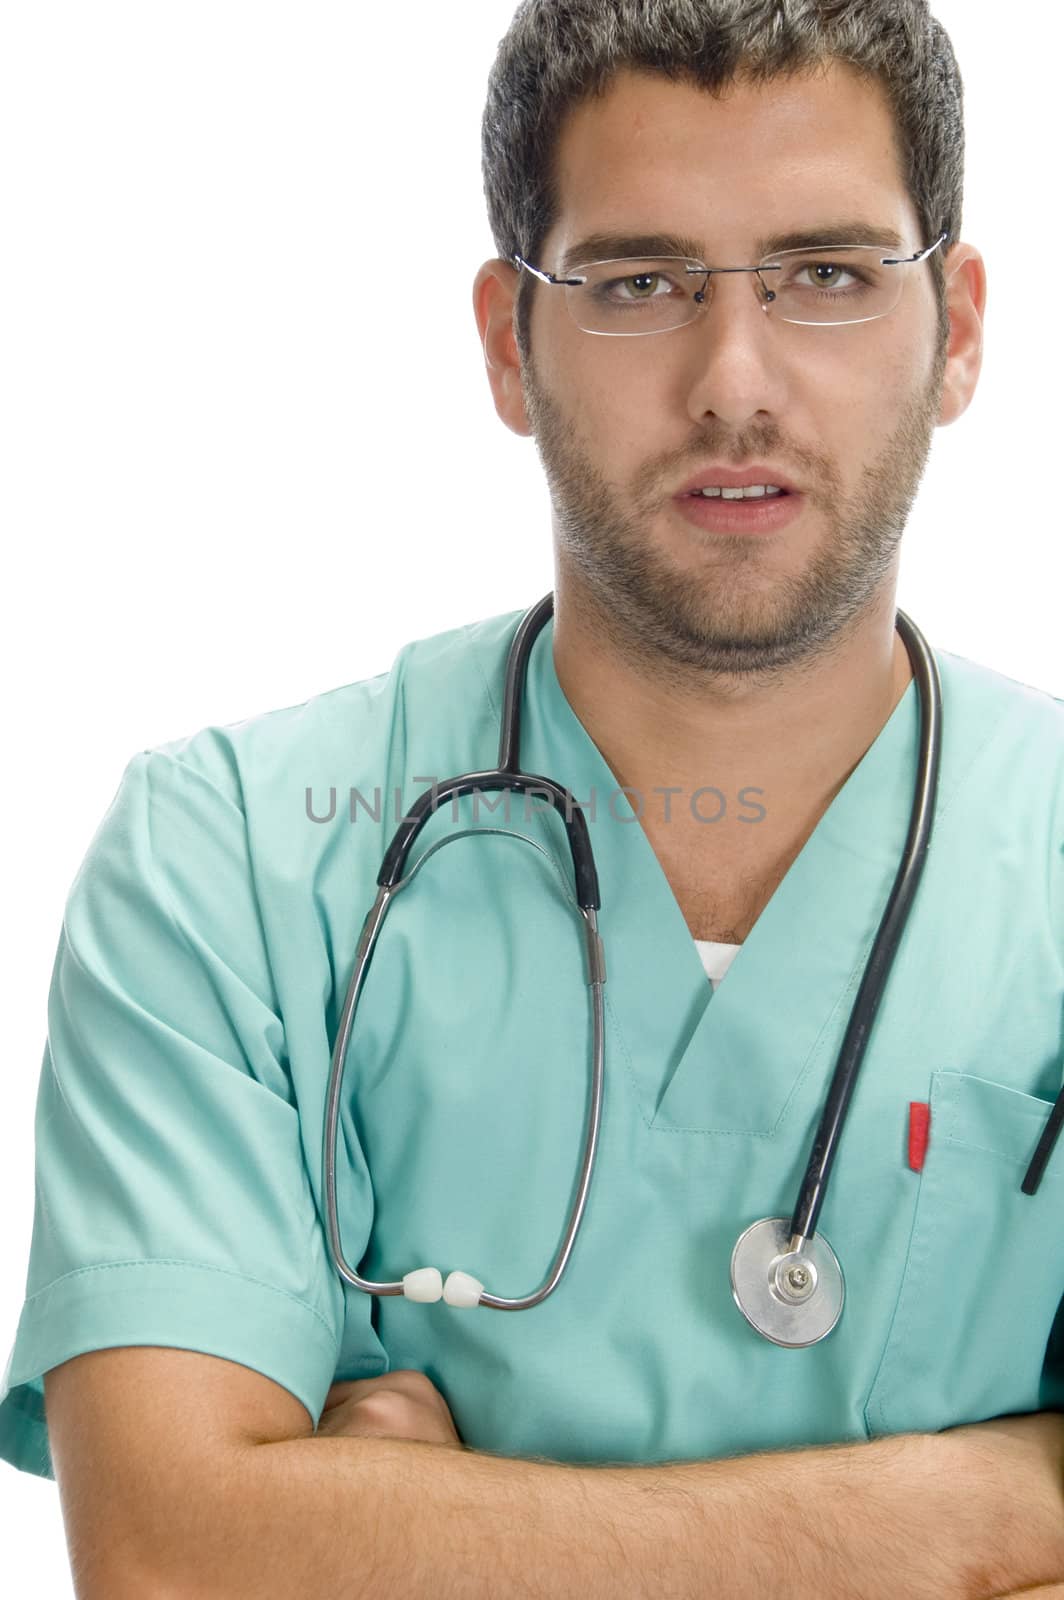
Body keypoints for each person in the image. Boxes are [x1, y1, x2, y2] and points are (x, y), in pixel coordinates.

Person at [2, 1, 1063, 1595]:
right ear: (510, 339)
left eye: (827, 276)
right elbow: (172, 1558)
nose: (735, 379)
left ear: (960, 329)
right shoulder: (225, 859)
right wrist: (984, 1510)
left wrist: (417, 1541)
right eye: (638, 283)